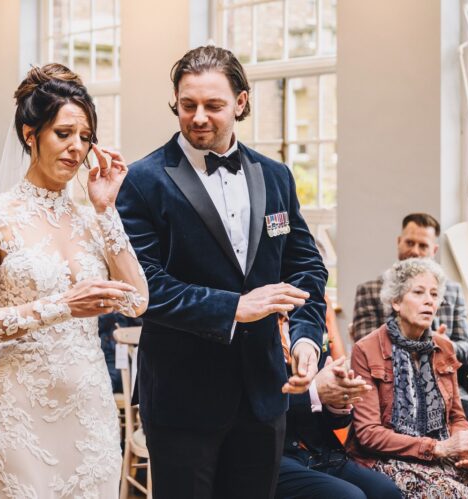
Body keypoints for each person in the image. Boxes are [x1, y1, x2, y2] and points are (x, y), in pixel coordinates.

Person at [116, 45, 328, 499]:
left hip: (264, 396)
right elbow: (145, 286)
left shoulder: (275, 177)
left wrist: (308, 338)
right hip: (182, 400)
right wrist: (235, 307)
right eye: (187, 105)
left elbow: (304, 265)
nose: (197, 117)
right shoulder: (143, 181)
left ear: (241, 102)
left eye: (213, 105)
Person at [0, 63, 148, 497]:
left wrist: (106, 209)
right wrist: (63, 305)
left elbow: (137, 301)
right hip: (18, 415)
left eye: (85, 137)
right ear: (30, 134)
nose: (76, 148)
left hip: (89, 414)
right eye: (63, 134)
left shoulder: (92, 219)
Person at [347, 258, 468, 498]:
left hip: (440, 454)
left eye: (434, 294)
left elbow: (457, 416)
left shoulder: (444, 347)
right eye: (418, 292)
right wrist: (437, 447)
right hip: (386, 459)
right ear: (396, 301)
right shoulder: (366, 349)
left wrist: (463, 444)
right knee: (455, 495)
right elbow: (368, 434)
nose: (429, 300)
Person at [351, 213, 468, 426]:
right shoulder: (370, 290)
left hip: (445, 382)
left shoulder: (452, 291)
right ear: (399, 242)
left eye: (423, 245)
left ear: (434, 250)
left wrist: (441, 345)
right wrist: (410, 331)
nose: (415, 251)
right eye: (409, 242)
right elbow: (366, 347)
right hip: (390, 386)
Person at [275, 340, 402, 499]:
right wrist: (314, 392)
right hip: (277, 454)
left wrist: (337, 403)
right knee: (351, 496)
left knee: (386, 491)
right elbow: (260, 402)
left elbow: (333, 420)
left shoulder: (311, 329)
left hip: (321, 451)